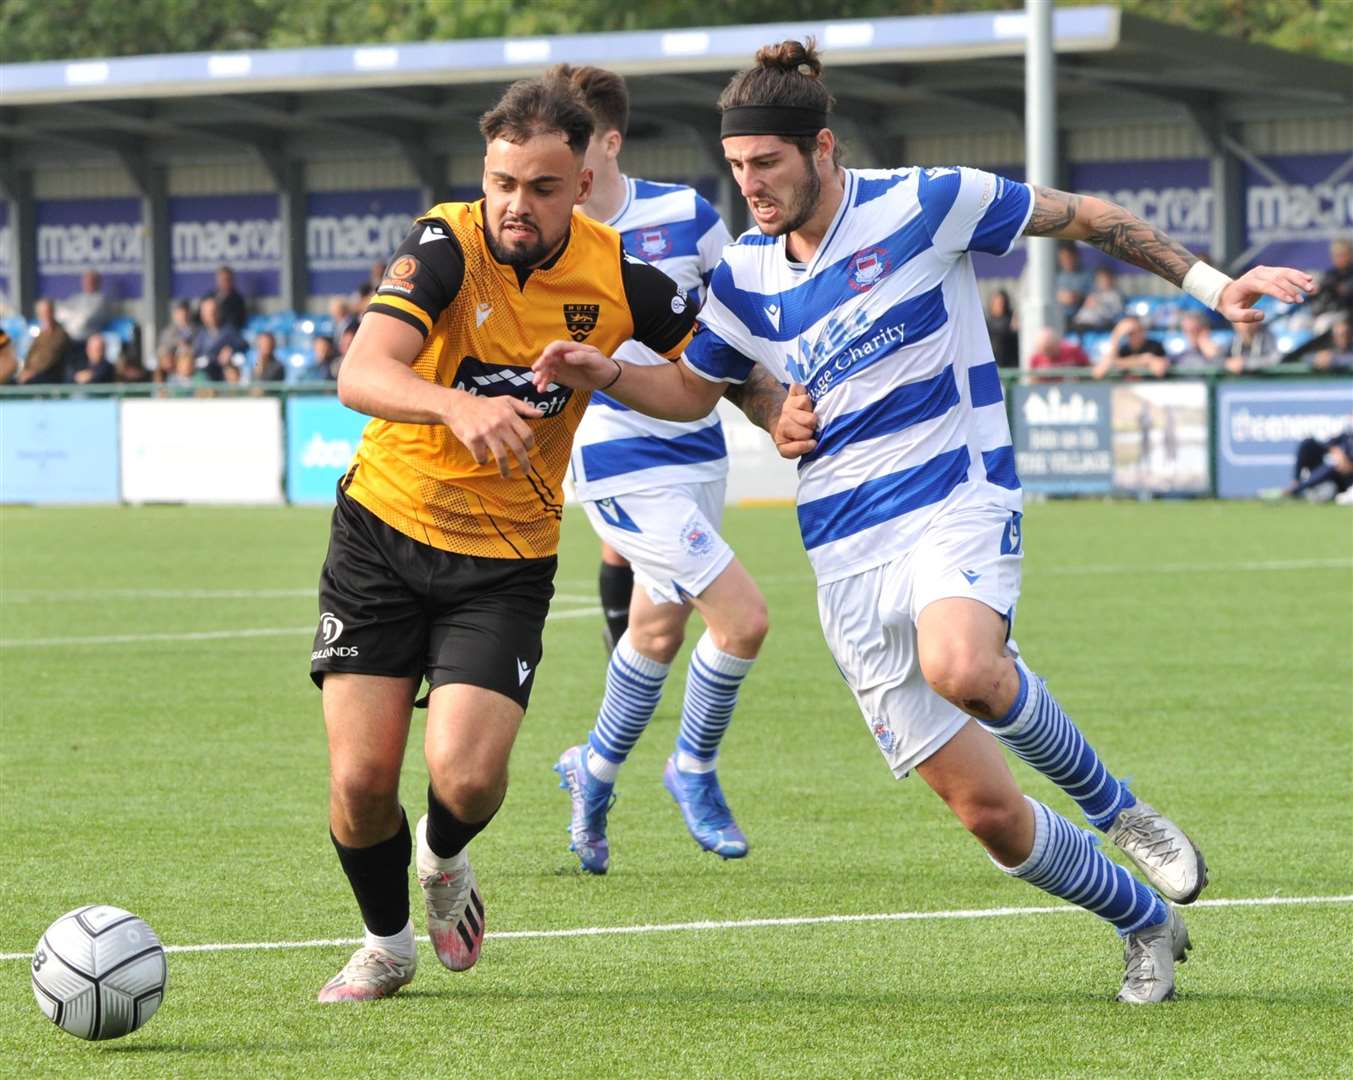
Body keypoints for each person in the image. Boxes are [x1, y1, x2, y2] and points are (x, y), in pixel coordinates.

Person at [533, 38, 1314, 1004]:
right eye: (736, 169)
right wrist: (605, 372)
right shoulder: (742, 273)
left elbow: (1091, 219)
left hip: (955, 494)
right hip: (844, 546)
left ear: (821, 149)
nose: (751, 188)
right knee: (987, 814)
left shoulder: (925, 201)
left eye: (766, 165)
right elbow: (697, 390)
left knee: (964, 666)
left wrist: (1210, 285)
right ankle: (1140, 918)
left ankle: (1121, 812)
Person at [309, 74, 767, 1005]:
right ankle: (386, 943)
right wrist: (454, 407)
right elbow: (363, 372)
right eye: (502, 182)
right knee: (360, 784)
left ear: (584, 182)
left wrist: (650, 381)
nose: (517, 205)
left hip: (505, 560)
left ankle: (443, 862)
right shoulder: (445, 241)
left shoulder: (619, 277)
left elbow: (702, 383)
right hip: (382, 533)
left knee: (467, 781)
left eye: (542, 188)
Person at [546, 63, 767, 875]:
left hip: (697, 443)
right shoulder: (545, 235)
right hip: (614, 453)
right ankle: (694, 767)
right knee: (740, 620)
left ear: (607, 141)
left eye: (572, 147)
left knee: (655, 629)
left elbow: (733, 322)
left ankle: (592, 773)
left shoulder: (686, 214)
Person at [1094, 315, 1169, 379]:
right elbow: (1098, 372)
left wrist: (1121, 363)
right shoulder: (1124, 349)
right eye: (1128, 334)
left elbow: (1159, 369)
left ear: (1142, 330)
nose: (1131, 336)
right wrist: (1116, 336)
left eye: (1133, 332)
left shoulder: (1154, 346)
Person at [191, 297, 246, 377]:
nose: (211, 315)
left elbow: (244, 345)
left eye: (213, 311)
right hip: (203, 376)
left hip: (224, 376)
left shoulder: (229, 331)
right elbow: (195, 354)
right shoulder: (198, 333)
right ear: (202, 315)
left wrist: (231, 350)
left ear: (219, 312)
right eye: (207, 312)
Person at [55, 269, 111, 344]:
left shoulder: (102, 300)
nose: (88, 283)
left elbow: (87, 318)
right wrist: (78, 316)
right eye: (86, 281)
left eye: (91, 281)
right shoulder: (76, 297)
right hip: (69, 338)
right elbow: (59, 314)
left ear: (98, 283)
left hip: (88, 340)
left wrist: (71, 317)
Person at [1072, 266, 1125, 330]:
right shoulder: (1094, 294)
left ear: (1111, 279)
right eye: (1100, 279)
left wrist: (1098, 305)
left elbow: (1115, 314)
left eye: (1105, 279)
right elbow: (1083, 312)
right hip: (1083, 324)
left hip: (1102, 325)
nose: (1103, 282)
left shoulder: (1116, 295)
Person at [201, 265, 247, 331]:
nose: (224, 282)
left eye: (227, 279)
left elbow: (239, 322)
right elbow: (199, 317)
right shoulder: (209, 296)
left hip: (228, 333)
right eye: (222, 279)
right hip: (208, 331)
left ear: (232, 280)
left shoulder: (238, 299)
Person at [1054, 241, 1092, 320]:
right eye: (1062, 258)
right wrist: (1058, 296)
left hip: (1080, 319)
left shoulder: (1087, 275)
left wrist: (1078, 297)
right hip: (1058, 318)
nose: (1066, 261)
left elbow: (1093, 295)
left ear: (1076, 256)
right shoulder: (1056, 276)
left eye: (1068, 257)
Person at [985, 288, 1019, 369]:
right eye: (996, 303)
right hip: (993, 364)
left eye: (1001, 303)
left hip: (1010, 366)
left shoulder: (1010, 320)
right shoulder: (988, 322)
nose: (999, 305)